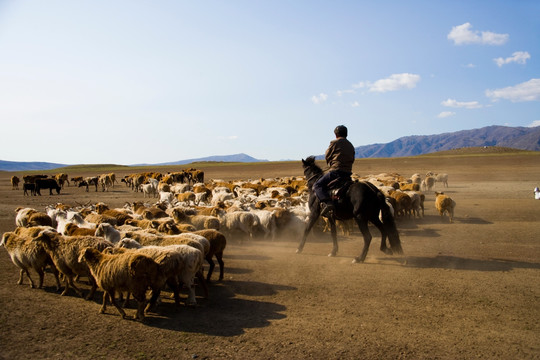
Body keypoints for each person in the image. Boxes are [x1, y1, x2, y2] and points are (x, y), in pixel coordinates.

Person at [313, 125, 355, 217]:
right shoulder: (351, 145)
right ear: (346, 134)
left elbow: (327, 155)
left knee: (317, 185)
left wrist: (330, 163)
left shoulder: (334, 142)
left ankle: (328, 203)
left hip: (336, 172)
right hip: (347, 173)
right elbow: (352, 159)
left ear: (336, 135)